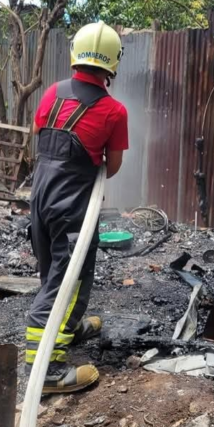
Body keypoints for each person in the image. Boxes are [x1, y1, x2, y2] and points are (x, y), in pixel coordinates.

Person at [25, 21, 129, 394]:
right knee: (66, 282)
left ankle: (67, 329)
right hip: (72, 206)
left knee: (52, 269)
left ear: (76, 55)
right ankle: (47, 371)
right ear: (112, 63)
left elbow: (38, 137)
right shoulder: (114, 111)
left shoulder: (52, 93)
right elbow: (112, 167)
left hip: (40, 195)